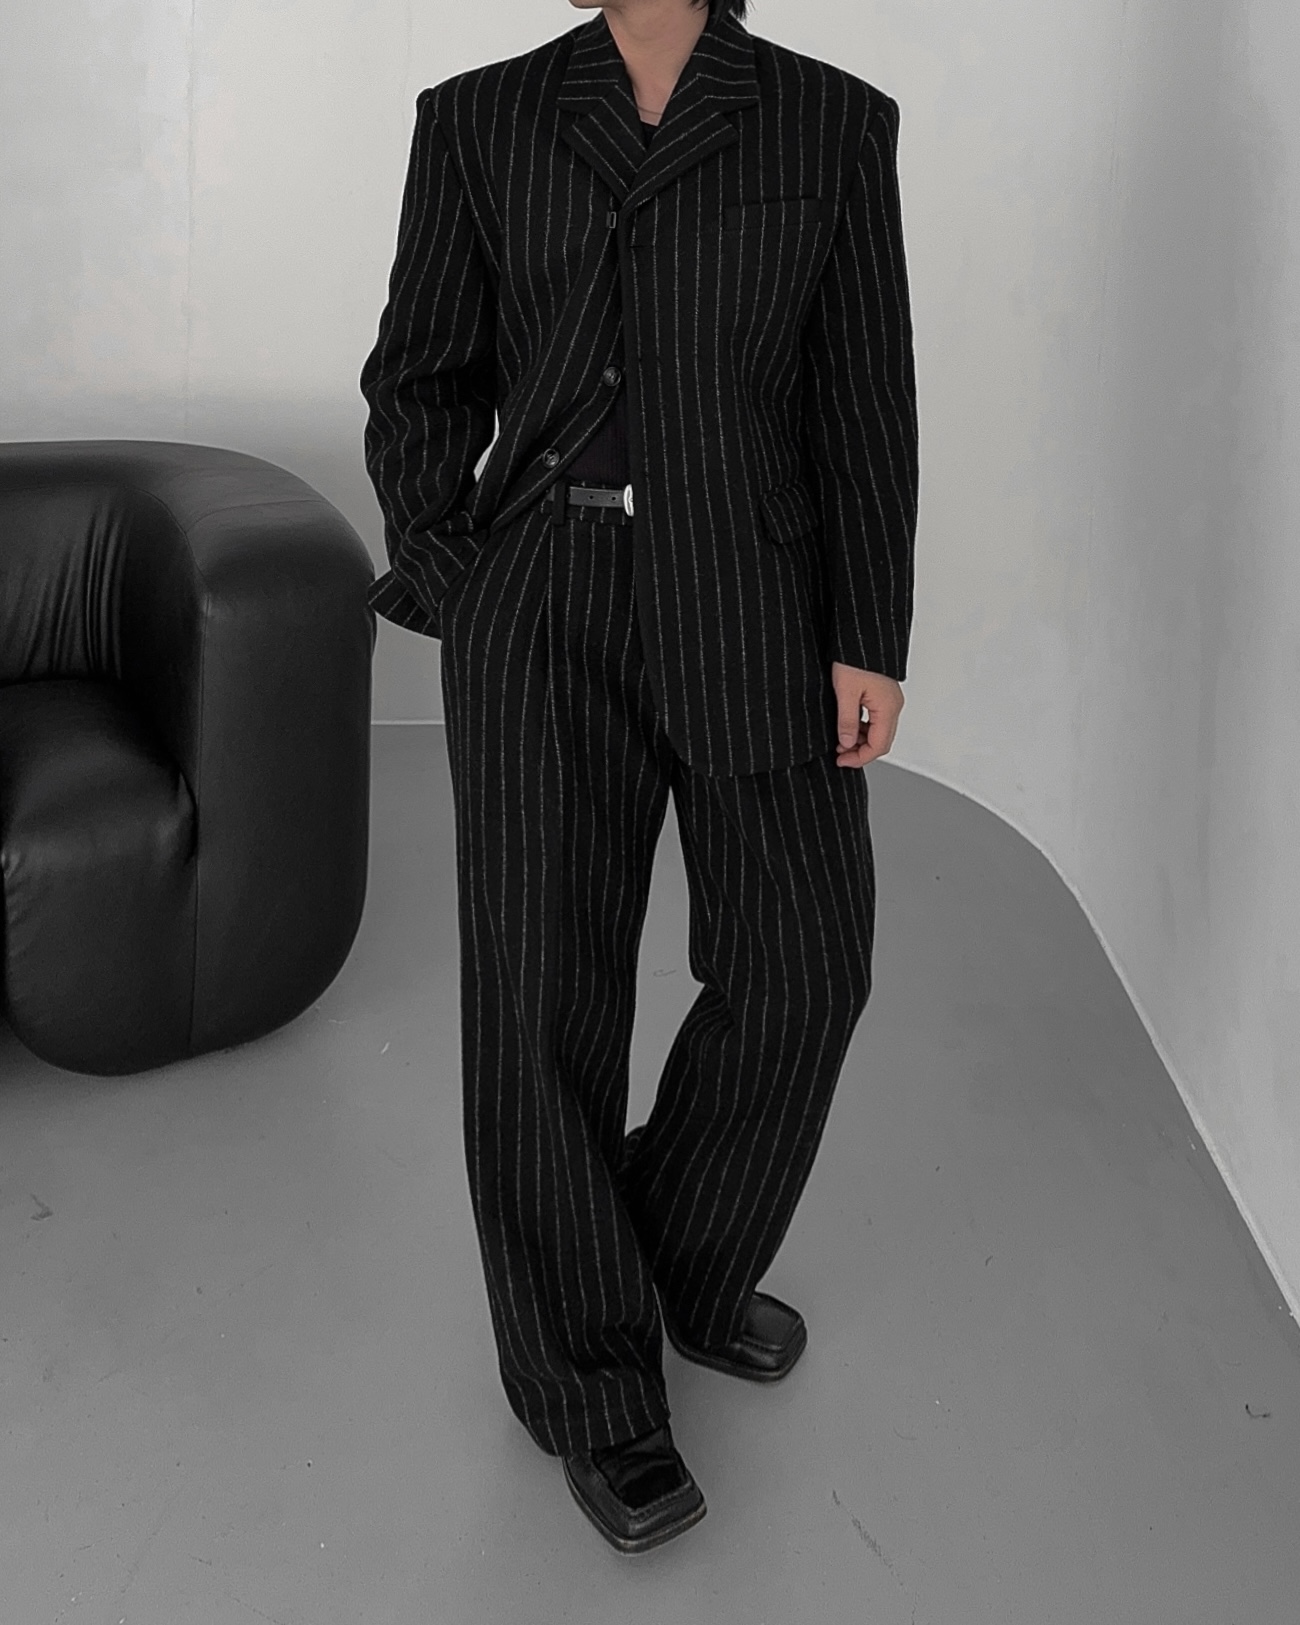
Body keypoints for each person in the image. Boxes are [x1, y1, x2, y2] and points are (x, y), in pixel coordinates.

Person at [359, 0, 918, 1555]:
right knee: (542, 999)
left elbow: (864, 398)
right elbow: (419, 378)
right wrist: (463, 578)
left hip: (757, 597)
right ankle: (590, 1382)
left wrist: (867, 637)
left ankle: (674, 1251)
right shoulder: (479, 117)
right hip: (547, 595)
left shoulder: (830, 119)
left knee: (804, 966)